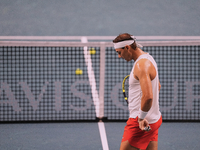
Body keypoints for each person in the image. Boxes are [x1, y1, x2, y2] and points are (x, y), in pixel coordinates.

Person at [113, 33, 162, 150]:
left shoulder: (141, 65)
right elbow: (158, 86)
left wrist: (141, 117)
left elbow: (148, 96)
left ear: (127, 47)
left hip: (140, 123)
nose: (119, 56)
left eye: (119, 52)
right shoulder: (149, 58)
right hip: (154, 119)